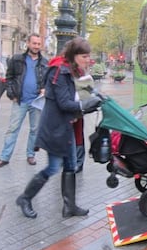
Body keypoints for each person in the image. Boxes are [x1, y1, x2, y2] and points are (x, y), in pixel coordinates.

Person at [16, 36, 102, 219]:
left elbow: (78, 95)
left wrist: (92, 98)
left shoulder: (70, 70)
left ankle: (69, 206)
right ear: (74, 55)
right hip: (54, 128)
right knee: (53, 167)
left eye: (88, 56)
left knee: (70, 165)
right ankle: (25, 198)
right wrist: (85, 105)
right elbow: (64, 103)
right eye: (84, 56)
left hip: (65, 127)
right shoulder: (60, 71)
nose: (88, 60)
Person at [0, 33, 49, 169]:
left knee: (35, 130)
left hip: (36, 101)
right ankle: (4, 157)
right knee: (13, 129)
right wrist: (11, 93)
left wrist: (44, 89)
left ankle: (31, 155)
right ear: (28, 43)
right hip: (20, 100)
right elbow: (9, 77)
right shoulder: (17, 59)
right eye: (34, 43)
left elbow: (47, 80)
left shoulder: (44, 62)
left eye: (38, 44)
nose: (36, 46)